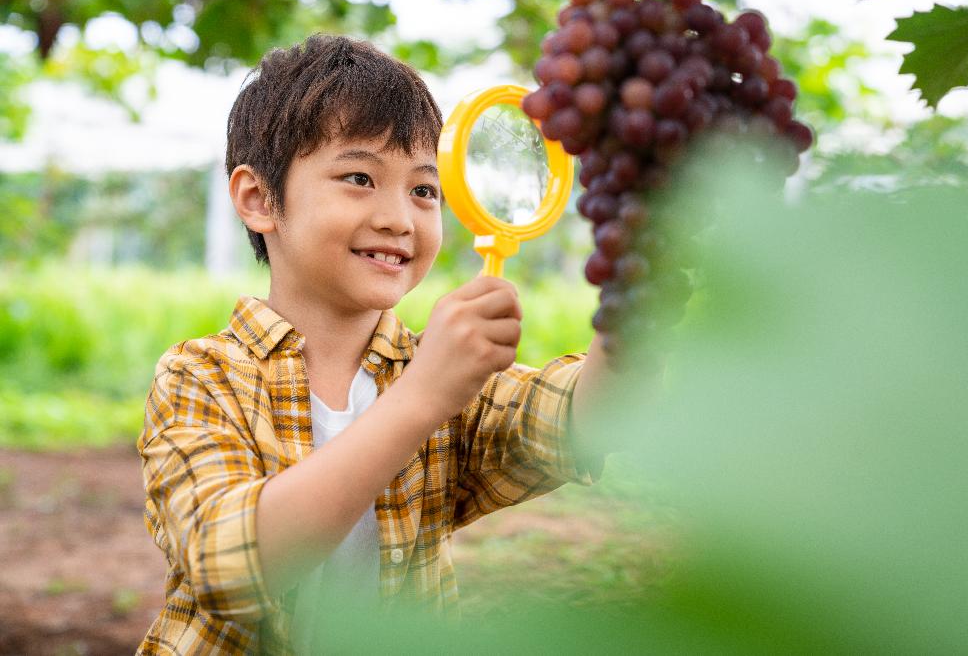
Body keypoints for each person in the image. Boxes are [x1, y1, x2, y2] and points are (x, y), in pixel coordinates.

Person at [137, 33, 613, 654]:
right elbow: (225, 563)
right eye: (359, 177)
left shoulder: (437, 376)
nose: (400, 218)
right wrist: (420, 399)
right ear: (259, 200)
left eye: (424, 189)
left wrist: (638, 277)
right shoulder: (201, 376)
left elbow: (585, 419)